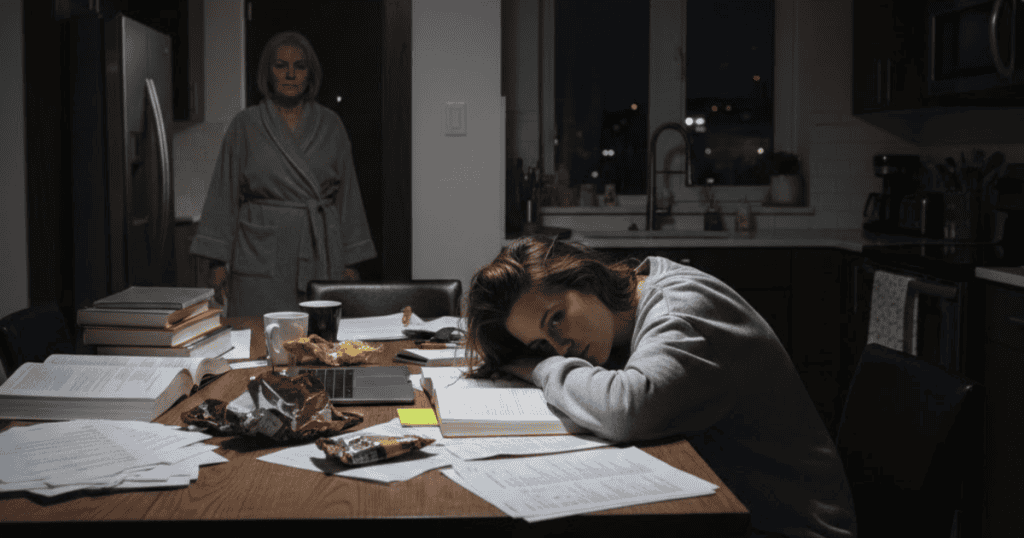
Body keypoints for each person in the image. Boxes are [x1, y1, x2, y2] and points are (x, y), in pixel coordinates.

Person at [465, 236, 856, 538]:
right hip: (728, 513)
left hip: (789, 528)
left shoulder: (679, 308)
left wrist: (540, 367)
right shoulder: (626, 313)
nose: (560, 347)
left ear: (584, 278)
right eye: (540, 345)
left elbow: (628, 408)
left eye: (556, 319)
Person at [190, 31, 376, 317]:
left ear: (310, 74)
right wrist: (216, 262)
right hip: (259, 255)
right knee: (256, 333)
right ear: (268, 72)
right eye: (281, 66)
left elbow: (348, 197)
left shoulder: (331, 125)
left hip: (319, 254)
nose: (290, 74)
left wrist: (351, 262)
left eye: (299, 66)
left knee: (316, 336)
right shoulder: (245, 124)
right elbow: (223, 193)